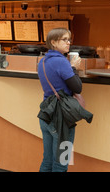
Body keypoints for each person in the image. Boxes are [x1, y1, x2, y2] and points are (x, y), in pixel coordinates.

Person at [37, 28, 83, 172]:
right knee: (61, 164)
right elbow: (77, 87)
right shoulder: (62, 62)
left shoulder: (42, 61)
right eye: (64, 39)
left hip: (46, 115)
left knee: (47, 161)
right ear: (53, 42)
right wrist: (74, 68)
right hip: (62, 120)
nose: (68, 43)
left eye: (69, 40)